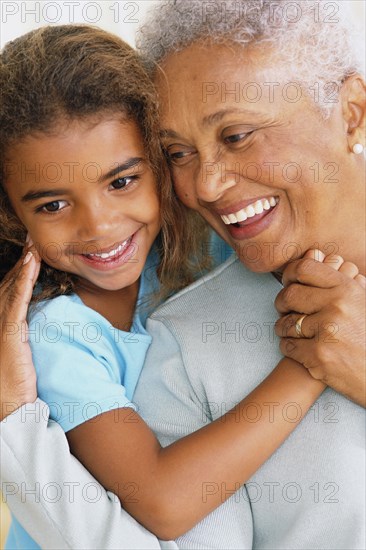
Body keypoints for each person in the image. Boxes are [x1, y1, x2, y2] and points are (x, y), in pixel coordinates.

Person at [0, 0, 365, 548]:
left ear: (352, 112)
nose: (208, 186)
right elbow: (164, 506)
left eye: (237, 134)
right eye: (179, 152)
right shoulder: (156, 332)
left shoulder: (199, 257)